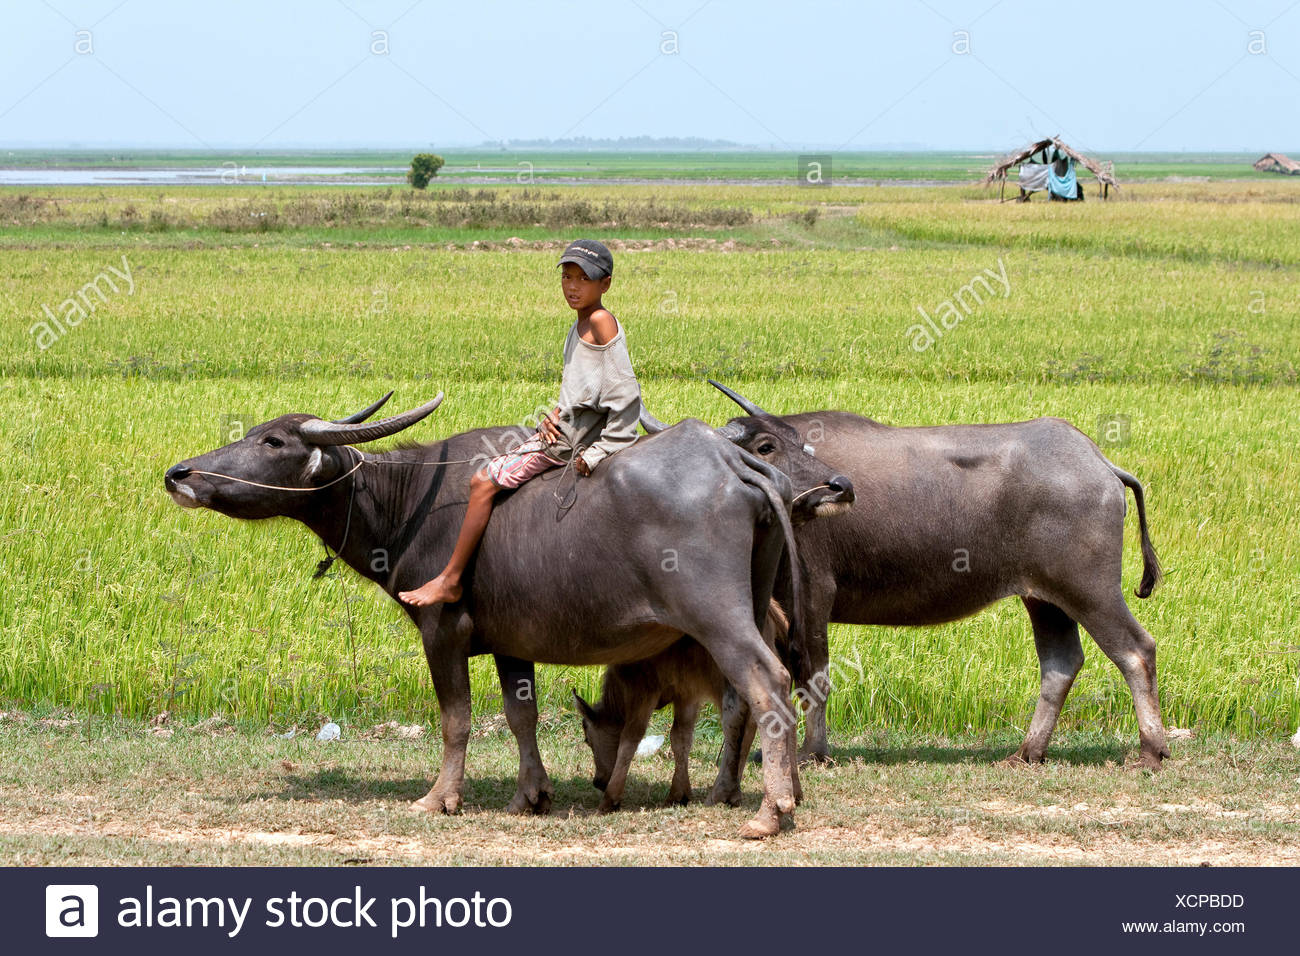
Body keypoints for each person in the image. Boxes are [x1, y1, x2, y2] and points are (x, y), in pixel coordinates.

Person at [398, 239, 641, 607]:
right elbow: (587, 387)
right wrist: (557, 413)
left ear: (605, 284)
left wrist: (602, 449)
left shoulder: (600, 321)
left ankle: (449, 579)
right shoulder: (581, 323)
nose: (572, 287)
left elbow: (624, 392)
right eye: (567, 277)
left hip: (569, 443)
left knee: (482, 481)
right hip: (564, 429)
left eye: (583, 280)